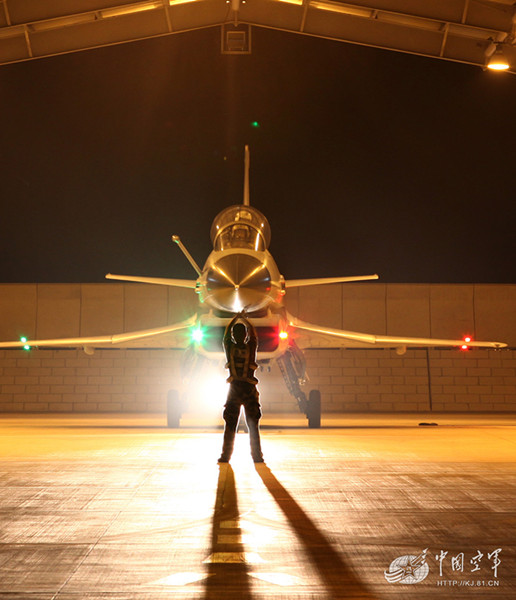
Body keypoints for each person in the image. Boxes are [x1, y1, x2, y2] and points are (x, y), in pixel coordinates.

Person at [218, 311, 264, 463]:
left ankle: (225, 456)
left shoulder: (229, 348)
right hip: (249, 390)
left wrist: (235, 319)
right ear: (244, 335)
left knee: (230, 426)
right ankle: (257, 457)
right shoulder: (250, 348)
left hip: (234, 390)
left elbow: (225, 337)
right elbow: (254, 336)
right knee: (253, 425)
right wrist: (244, 319)